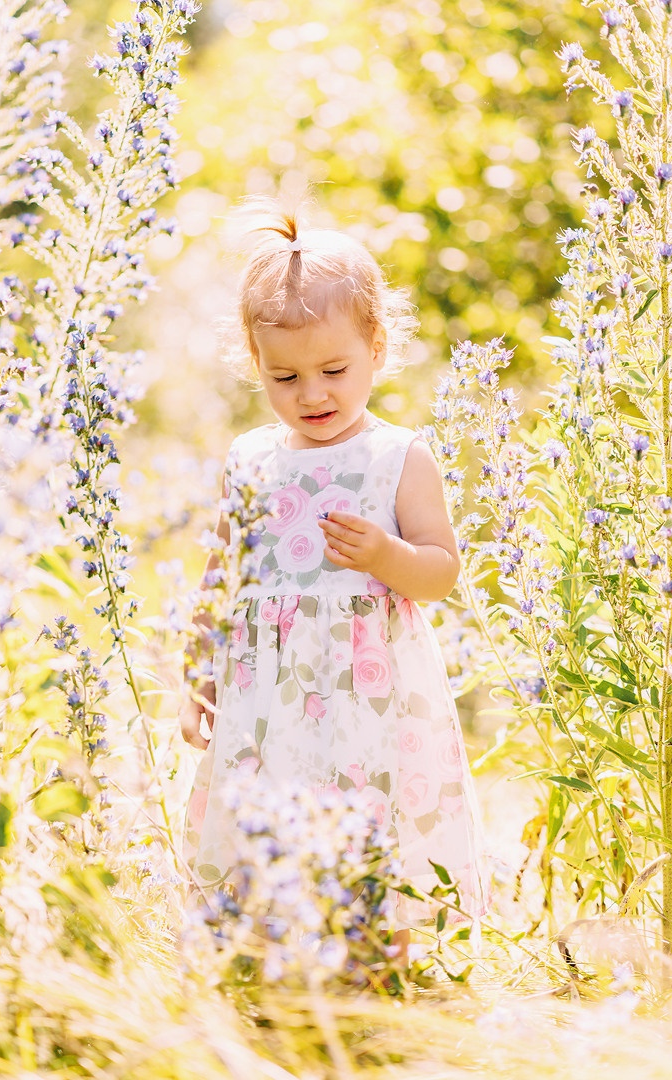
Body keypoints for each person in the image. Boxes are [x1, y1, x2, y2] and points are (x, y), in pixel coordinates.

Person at [179, 199, 488, 940]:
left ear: (377, 349)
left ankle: (382, 954)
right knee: (267, 810)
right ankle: (272, 952)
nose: (311, 394)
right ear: (255, 365)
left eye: (333, 369)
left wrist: (386, 556)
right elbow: (220, 576)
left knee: (372, 815)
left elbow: (441, 570)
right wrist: (196, 679)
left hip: (367, 697)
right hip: (268, 695)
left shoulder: (397, 457)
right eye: (284, 377)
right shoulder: (251, 459)